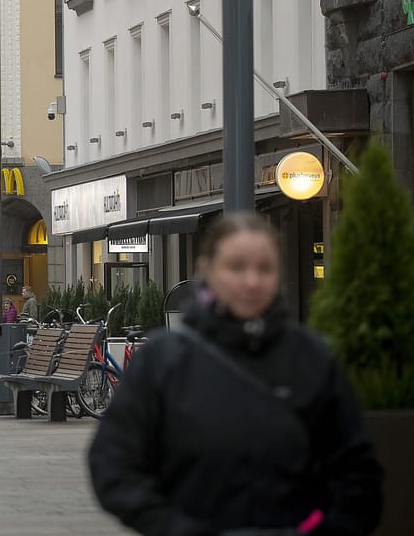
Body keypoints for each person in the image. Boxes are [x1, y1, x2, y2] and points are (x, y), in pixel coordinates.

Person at [89, 212, 382, 536]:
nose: (252, 281)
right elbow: (113, 464)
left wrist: (327, 529)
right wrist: (174, 527)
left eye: (264, 268)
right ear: (207, 271)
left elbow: (358, 472)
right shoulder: (164, 361)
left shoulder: (311, 359)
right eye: (236, 267)